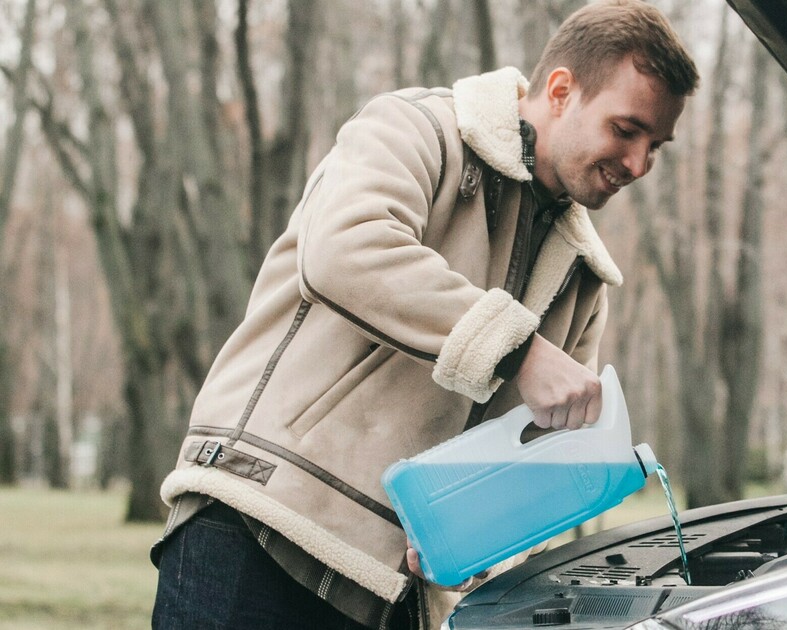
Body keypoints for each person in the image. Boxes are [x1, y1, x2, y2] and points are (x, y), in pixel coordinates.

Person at [150, 1, 699, 628]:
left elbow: (536, 461)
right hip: (258, 527)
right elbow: (343, 249)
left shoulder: (584, 276)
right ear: (561, 90)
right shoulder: (418, 127)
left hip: (389, 598)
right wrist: (520, 350)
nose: (637, 165)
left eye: (656, 145)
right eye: (626, 129)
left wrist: (480, 543)